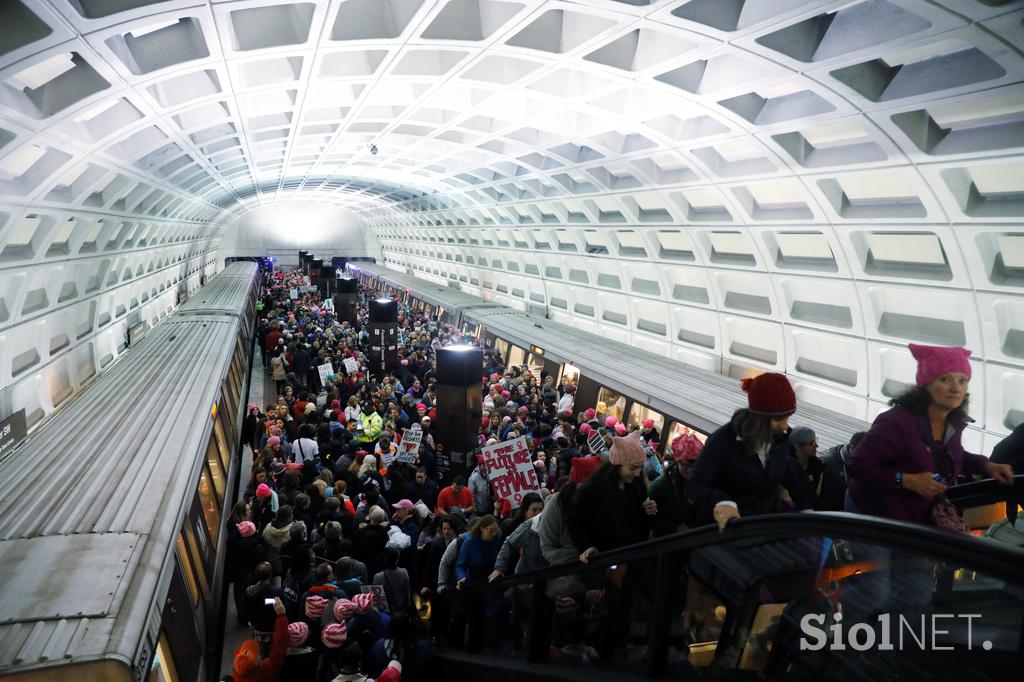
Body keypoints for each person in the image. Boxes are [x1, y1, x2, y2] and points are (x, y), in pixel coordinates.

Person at [847, 344, 1014, 525]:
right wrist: (907, 480)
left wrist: (988, 466)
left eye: (962, 380)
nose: (956, 388)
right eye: (945, 379)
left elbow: (951, 458)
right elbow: (858, 464)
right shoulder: (897, 422)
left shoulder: (952, 423)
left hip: (913, 518)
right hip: (876, 517)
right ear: (926, 384)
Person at [686, 373, 813, 530]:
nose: (785, 426)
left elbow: (786, 474)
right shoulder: (722, 441)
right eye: (778, 420)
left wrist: (807, 509)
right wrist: (724, 502)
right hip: (729, 532)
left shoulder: (781, 438)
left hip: (763, 529)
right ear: (758, 418)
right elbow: (694, 487)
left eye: (787, 418)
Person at [223, 597, 288, 682]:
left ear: (237, 654)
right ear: (256, 661)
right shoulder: (266, 669)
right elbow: (279, 648)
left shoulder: (230, 678)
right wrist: (281, 616)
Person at [648, 432, 701, 536]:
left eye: (693, 466)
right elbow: (648, 517)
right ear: (678, 462)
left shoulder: (699, 483)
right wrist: (675, 529)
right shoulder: (661, 485)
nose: (690, 470)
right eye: (685, 465)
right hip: (665, 540)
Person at [818, 431, 866, 512]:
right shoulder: (828, 463)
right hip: (830, 516)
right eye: (862, 453)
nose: (864, 457)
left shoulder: (864, 463)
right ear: (851, 448)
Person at [787, 426, 826, 510]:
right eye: (812, 443)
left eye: (816, 441)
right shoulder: (786, 468)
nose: (817, 446)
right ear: (798, 447)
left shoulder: (818, 466)